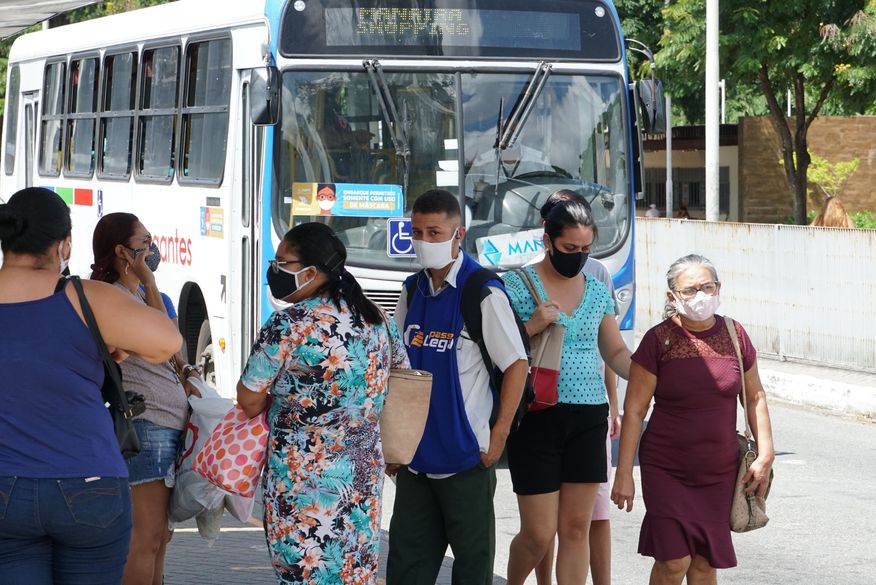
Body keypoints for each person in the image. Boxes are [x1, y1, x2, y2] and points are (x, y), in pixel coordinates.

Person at [0, 187, 181, 585]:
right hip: (89, 482)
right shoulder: (85, 298)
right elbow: (168, 343)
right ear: (65, 245)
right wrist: (107, 338)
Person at [236, 222, 409, 585]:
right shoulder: (377, 319)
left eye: (282, 263)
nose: (274, 270)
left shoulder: (289, 323)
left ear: (311, 272)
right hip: (361, 479)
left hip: (302, 482)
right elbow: (402, 377)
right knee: (352, 573)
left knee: (304, 573)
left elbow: (249, 399)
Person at [387, 189, 529, 585]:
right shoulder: (412, 290)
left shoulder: (482, 291)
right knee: (406, 568)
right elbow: (395, 369)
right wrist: (391, 442)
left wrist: (498, 437)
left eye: (434, 232)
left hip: (468, 458)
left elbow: (517, 364)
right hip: (414, 461)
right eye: (417, 232)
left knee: (471, 570)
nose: (424, 241)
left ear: (458, 234)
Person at [611, 254, 775, 585]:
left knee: (703, 562)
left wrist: (766, 454)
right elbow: (636, 411)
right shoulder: (659, 340)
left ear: (718, 288)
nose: (700, 296)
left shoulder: (735, 334)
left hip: (718, 470)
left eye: (707, 287)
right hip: (666, 469)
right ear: (672, 296)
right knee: (674, 562)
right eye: (689, 290)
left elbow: (755, 396)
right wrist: (624, 473)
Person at [501, 196, 632, 585]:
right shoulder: (515, 285)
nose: (579, 256)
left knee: (576, 528)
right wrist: (531, 326)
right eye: (570, 247)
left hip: (589, 417)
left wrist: (651, 374)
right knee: (538, 535)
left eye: (586, 249)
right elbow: (494, 351)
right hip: (536, 415)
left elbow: (615, 351)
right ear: (548, 240)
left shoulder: (597, 290)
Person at [90, 212, 199, 585]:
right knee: (145, 538)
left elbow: (172, 350)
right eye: (145, 243)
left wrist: (186, 372)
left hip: (167, 424)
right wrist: (150, 283)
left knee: (160, 538)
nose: (152, 250)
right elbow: (163, 337)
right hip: (147, 426)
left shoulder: (141, 295)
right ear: (122, 251)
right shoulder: (113, 298)